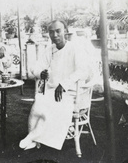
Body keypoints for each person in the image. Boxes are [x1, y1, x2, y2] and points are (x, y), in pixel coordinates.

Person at [19, 20, 89, 150]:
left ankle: (34, 136)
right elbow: (36, 68)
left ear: (65, 32)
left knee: (54, 106)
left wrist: (64, 84)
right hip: (52, 90)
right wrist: (41, 73)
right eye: (51, 32)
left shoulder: (75, 48)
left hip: (72, 91)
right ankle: (33, 137)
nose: (54, 35)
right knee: (39, 105)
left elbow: (82, 70)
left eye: (58, 31)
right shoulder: (49, 50)